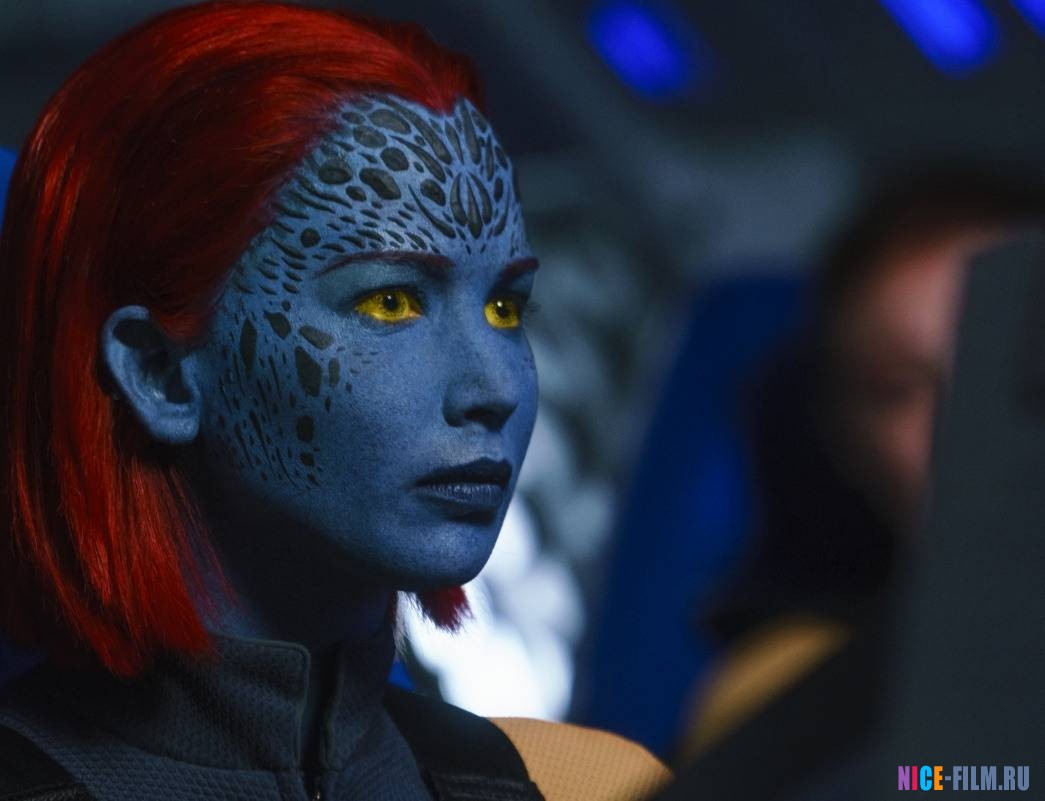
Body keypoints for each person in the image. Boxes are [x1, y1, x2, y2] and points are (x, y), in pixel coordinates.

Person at [0, 4, 668, 800]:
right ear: (160, 373)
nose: (493, 388)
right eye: (390, 301)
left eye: (504, 307)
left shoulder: (588, 785)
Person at [665, 166, 1045, 798]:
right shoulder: (791, 691)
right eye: (901, 389)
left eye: (1013, 375)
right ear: (846, 438)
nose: (960, 420)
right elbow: (949, 780)